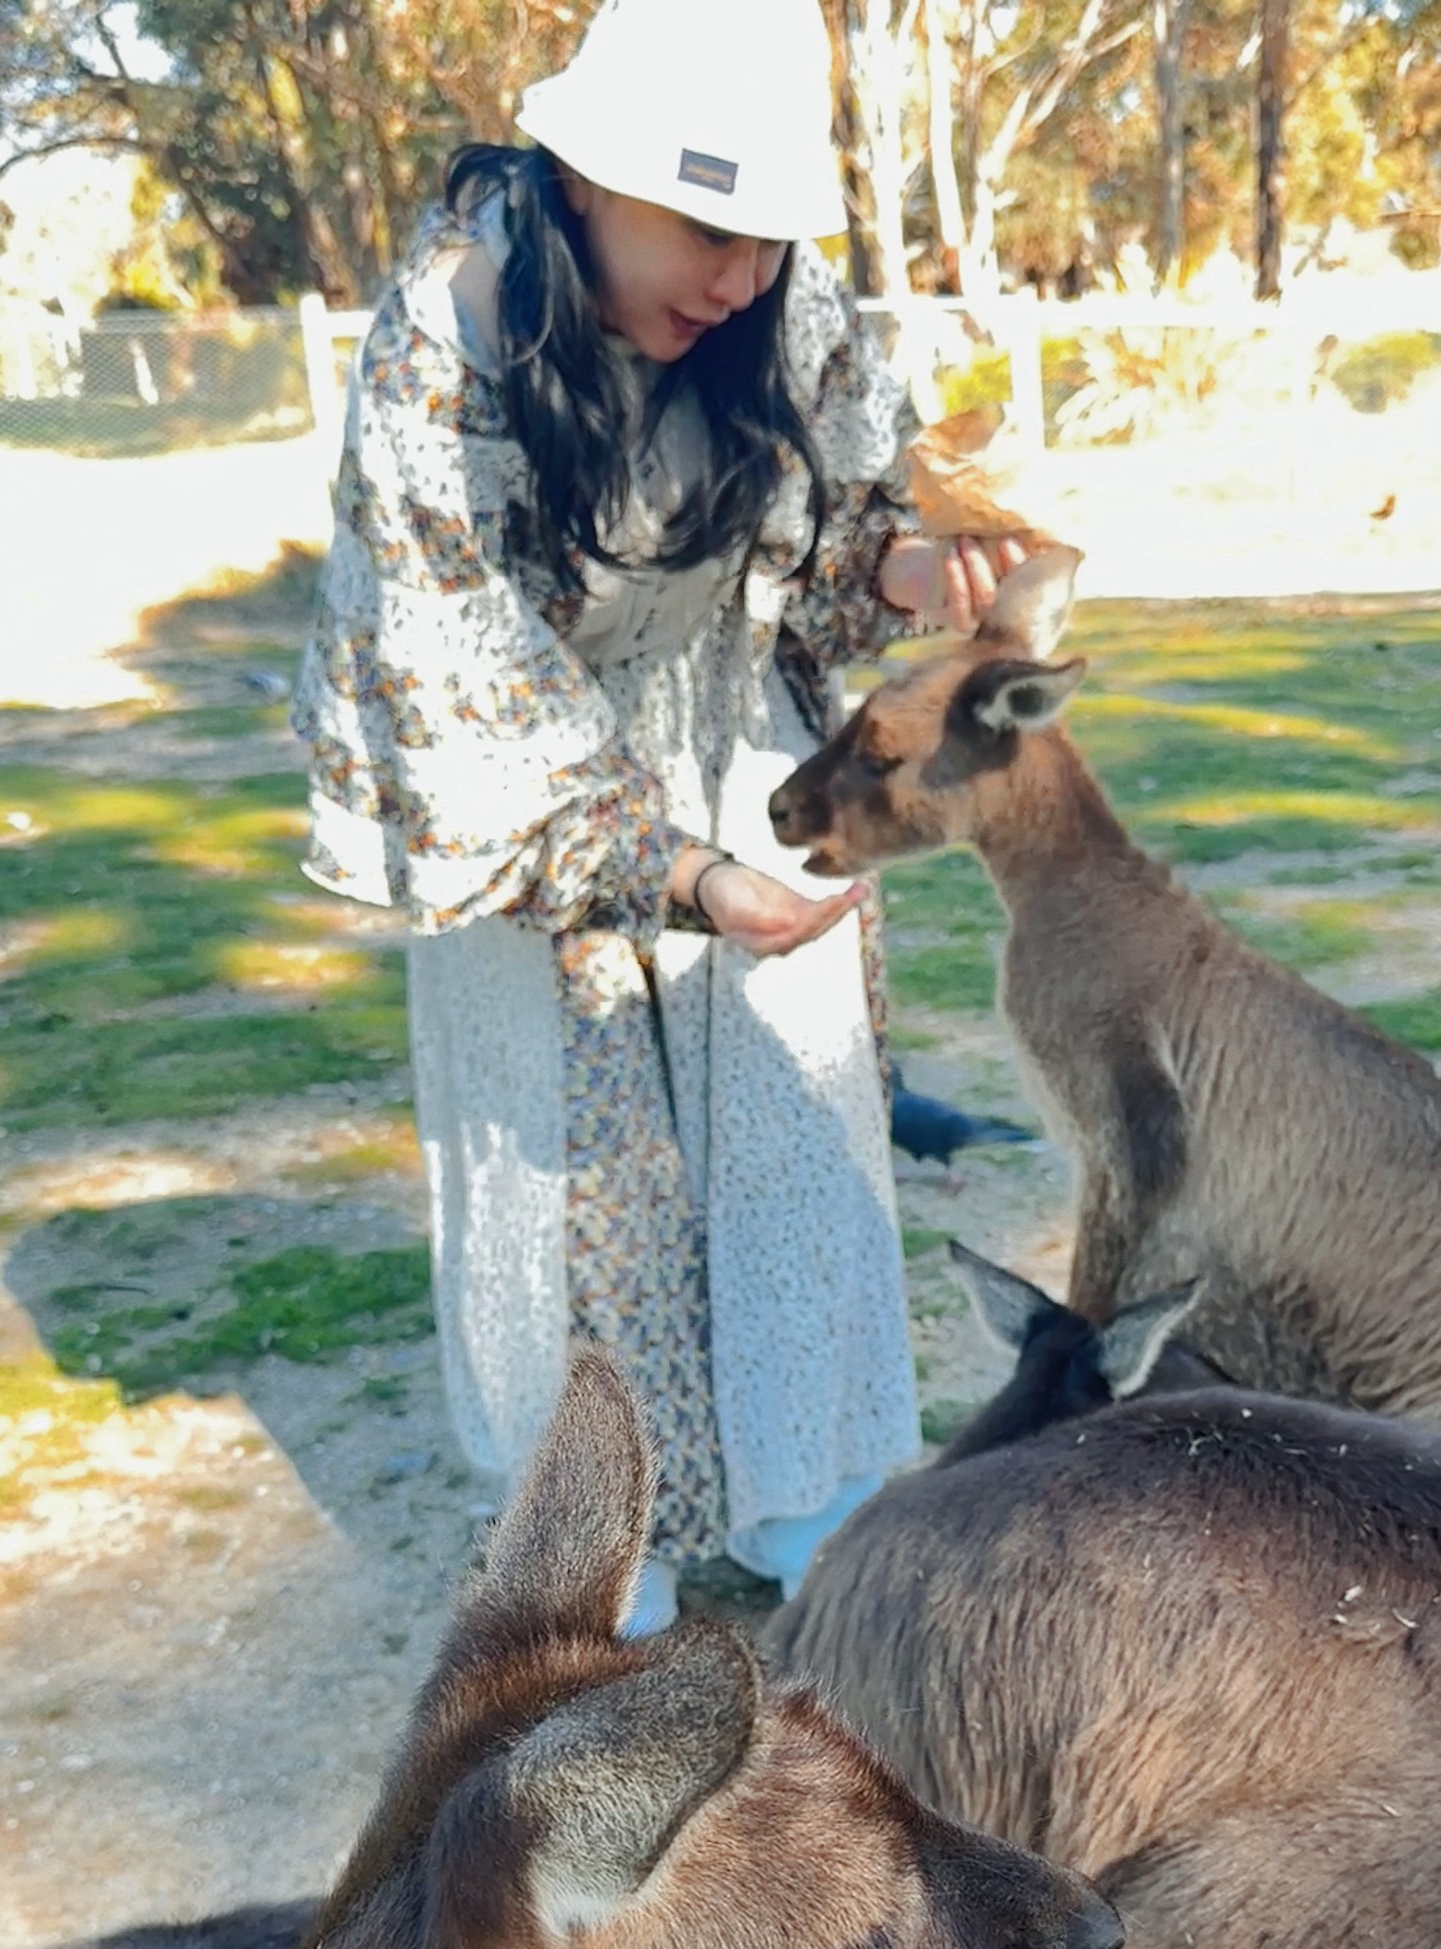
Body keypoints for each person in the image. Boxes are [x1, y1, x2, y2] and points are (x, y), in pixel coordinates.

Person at [294, 0, 1029, 1630]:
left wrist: (911, 570)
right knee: (577, 1159)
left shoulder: (781, 304)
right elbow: (456, 665)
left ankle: (808, 1508)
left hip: (718, 713)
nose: (742, 278)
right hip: (532, 760)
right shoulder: (455, 327)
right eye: (706, 226)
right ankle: (596, 1547)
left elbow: (838, 538)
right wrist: (670, 874)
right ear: (582, 179)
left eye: (767, 236)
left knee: (791, 1118)